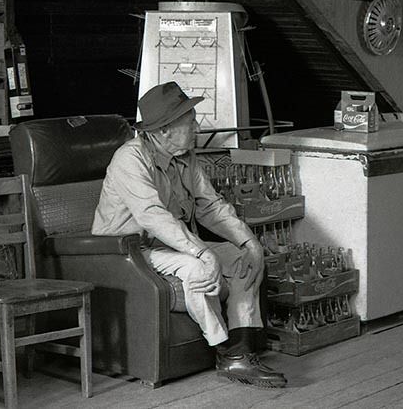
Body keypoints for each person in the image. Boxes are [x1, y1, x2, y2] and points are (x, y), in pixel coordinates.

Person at [92, 81, 287, 388]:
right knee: (198, 268)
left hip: (172, 245)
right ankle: (224, 350)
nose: (197, 126)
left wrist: (248, 241)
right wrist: (201, 252)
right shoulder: (129, 159)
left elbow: (210, 206)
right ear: (164, 131)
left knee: (240, 259)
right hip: (129, 252)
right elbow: (152, 217)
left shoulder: (186, 156)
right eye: (190, 121)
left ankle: (241, 353)